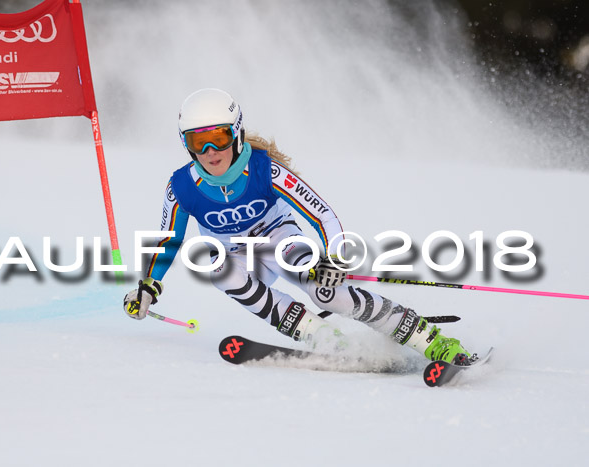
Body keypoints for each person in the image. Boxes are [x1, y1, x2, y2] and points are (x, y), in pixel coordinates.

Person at [124, 88, 473, 365]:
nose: (212, 151)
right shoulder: (181, 187)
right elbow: (170, 240)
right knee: (219, 269)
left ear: (237, 132)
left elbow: (322, 215)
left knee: (327, 293)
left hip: (280, 241)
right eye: (198, 142)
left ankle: (430, 340)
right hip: (238, 257)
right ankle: (321, 336)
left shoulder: (264, 170)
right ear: (186, 145)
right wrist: (148, 287)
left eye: (219, 136)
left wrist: (333, 259)